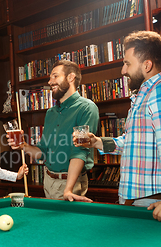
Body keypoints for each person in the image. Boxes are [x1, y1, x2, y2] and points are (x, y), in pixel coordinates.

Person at [75, 31, 161, 221]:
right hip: (136, 197)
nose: (123, 70)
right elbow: (133, 141)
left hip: (153, 199)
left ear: (147, 65)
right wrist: (97, 142)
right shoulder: (144, 94)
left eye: (127, 63)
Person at [8, 60, 99, 202]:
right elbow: (43, 152)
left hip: (70, 182)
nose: (50, 82)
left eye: (55, 76)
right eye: (50, 78)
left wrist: (68, 189)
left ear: (71, 78)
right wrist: (24, 146)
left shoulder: (86, 108)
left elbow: (80, 151)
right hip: (48, 180)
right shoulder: (51, 113)